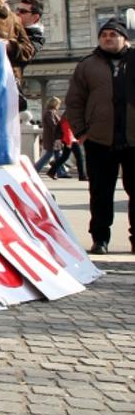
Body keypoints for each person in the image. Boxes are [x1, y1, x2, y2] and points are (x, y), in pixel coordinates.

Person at [65, 17, 135, 254]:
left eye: (113, 35)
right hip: (99, 140)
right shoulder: (87, 65)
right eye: (103, 35)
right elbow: (74, 102)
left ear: (124, 38)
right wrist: (82, 132)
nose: (107, 38)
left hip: (133, 140)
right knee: (100, 193)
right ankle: (100, 239)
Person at [14, 0, 45, 110]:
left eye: (22, 11)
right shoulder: (13, 26)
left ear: (35, 18)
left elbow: (23, 54)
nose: (17, 14)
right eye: (17, 10)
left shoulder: (36, 37)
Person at [48, 113, 86, 182]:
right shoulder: (67, 118)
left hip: (70, 140)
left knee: (64, 157)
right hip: (70, 140)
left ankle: (52, 171)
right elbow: (67, 130)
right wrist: (69, 142)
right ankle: (82, 176)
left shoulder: (66, 117)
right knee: (79, 158)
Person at [34, 97, 65, 176]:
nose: (59, 106)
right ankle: (35, 169)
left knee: (58, 155)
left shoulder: (52, 112)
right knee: (49, 154)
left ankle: (60, 172)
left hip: (54, 137)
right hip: (52, 137)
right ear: (55, 104)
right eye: (58, 104)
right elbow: (53, 125)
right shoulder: (49, 113)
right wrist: (62, 128)